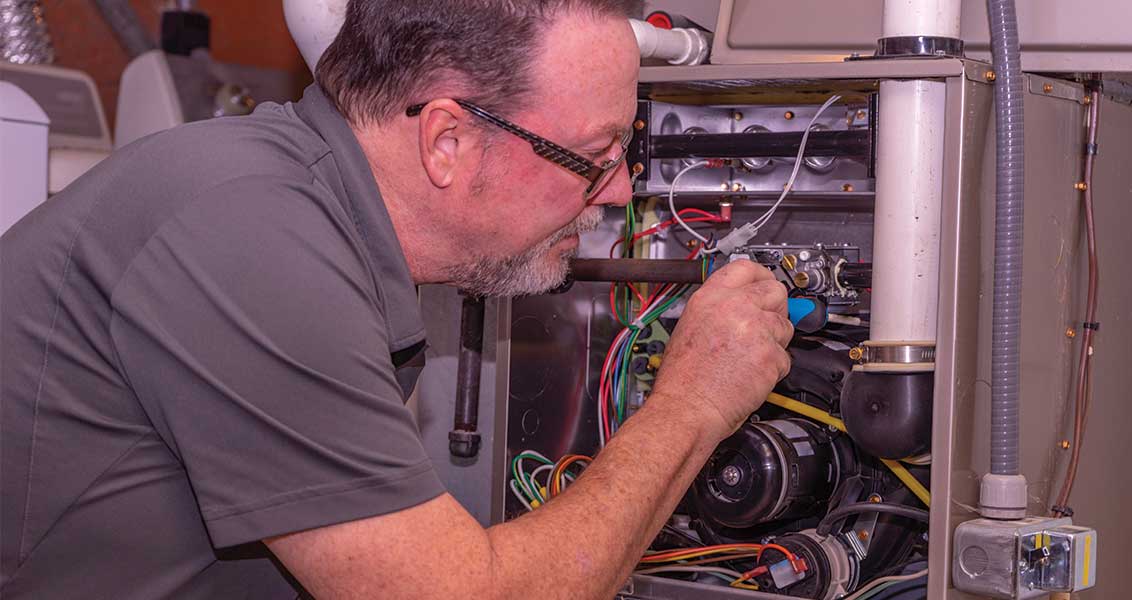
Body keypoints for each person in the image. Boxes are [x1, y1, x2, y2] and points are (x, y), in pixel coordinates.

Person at [0, 1, 792, 597]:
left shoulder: (316, 214)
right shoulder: (249, 230)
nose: (617, 194)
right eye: (594, 156)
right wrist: (692, 402)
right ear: (446, 140)